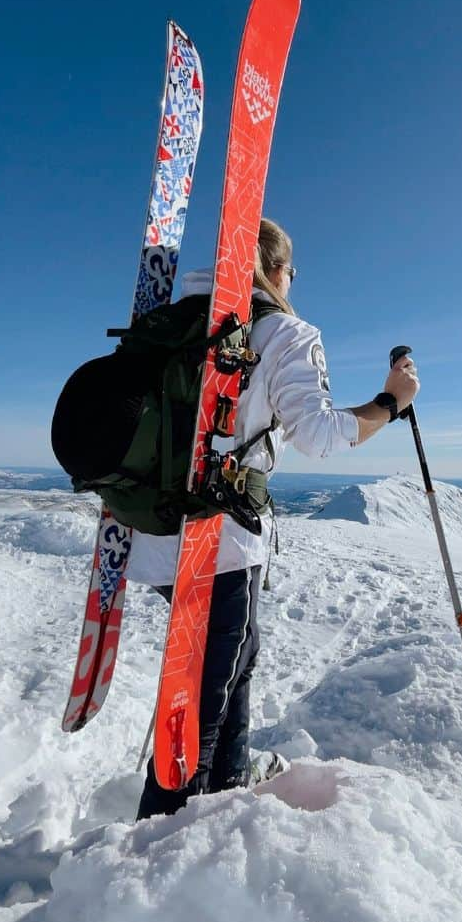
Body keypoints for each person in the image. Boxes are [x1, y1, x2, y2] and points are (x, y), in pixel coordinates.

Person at [127, 218, 419, 820]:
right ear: (278, 270)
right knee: (207, 686)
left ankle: (228, 778)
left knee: (235, 654)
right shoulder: (283, 331)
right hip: (221, 539)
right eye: (293, 272)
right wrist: (390, 402)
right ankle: (162, 831)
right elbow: (318, 434)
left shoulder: (169, 325)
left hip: (154, 532)